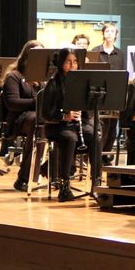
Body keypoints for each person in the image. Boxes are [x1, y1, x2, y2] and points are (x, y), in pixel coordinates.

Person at [39, 48, 100, 202]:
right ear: (61, 64)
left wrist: (86, 111)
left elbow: (88, 113)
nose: (72, 65)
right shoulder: (53, 84)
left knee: (94, 136)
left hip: (77, 124)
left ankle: (96, 183)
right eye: (68, 61)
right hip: (57, 126)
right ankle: (64, 185)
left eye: (75, 62)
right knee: (70, 138)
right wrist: (64, 116)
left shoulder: (82, 83)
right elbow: (46, 114)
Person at [0, 40, 45, 191]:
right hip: (19, 119)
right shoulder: (14, 76)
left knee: (59, 124)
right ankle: (24, 178)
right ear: (27, 56)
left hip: (40, 117)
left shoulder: (45, 78)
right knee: (38, 123)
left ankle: (58, 175)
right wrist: (37, 101)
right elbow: (12, 103)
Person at [91, 22, 125, 164]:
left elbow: (123, 73)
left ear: (116, 35)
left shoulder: (120, 53)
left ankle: (106, 154)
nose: (110, 33)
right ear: (103, 34)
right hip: (100, 91)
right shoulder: (96, 51)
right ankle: (98, 153)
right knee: (102, 123)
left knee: (112, 125)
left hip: (114, 91)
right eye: (107, 31)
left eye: (112, 31)